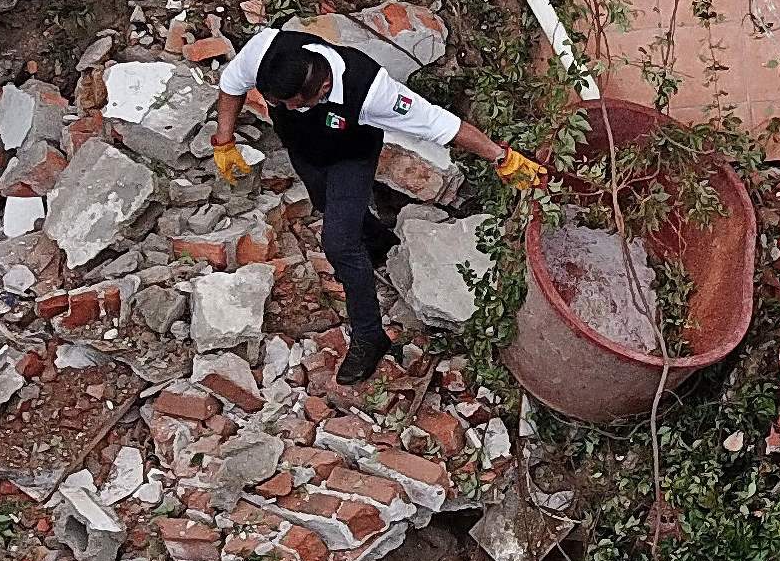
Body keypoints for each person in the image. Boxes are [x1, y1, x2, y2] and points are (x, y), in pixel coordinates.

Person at [208, 27, 545, 386]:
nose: (286, 110)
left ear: (322, 89)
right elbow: (231, 84)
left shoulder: (370, 90)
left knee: (339, 243)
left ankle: (370, 335)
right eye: (278, 103)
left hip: (350, 157)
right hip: (306, 153)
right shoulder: (268, 51)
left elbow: (436, 122)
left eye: (293, 104)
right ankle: (382, 244)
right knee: (325, 203)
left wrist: (502, 158)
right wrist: (224, 141)